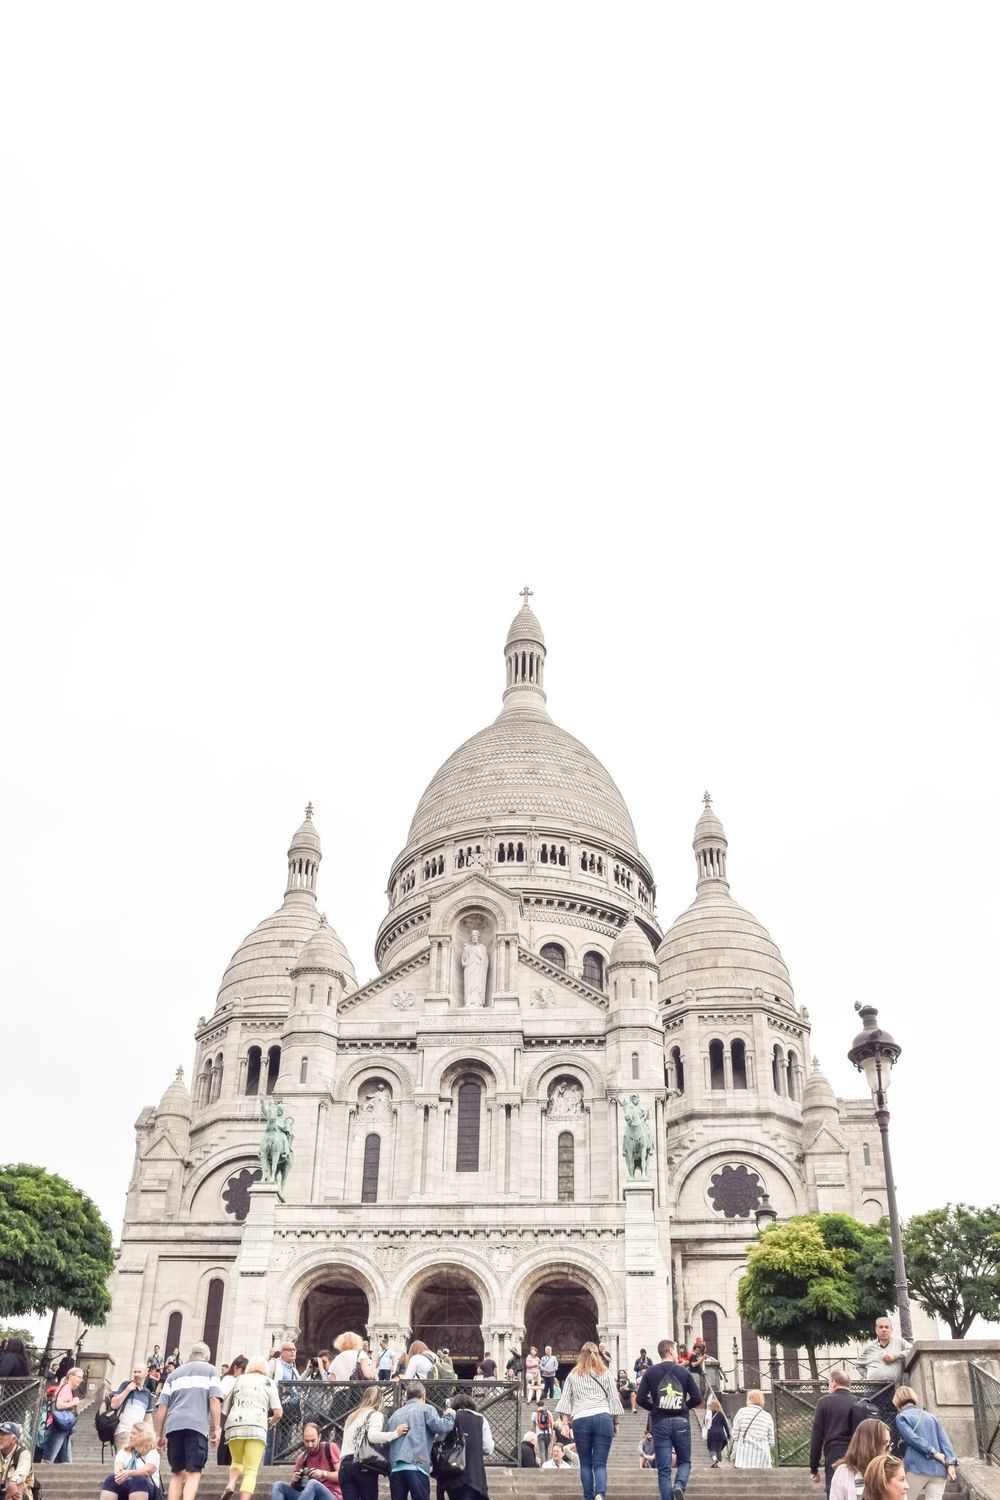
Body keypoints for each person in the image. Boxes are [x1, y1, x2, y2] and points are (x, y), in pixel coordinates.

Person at [153, 1340, 223, 1500]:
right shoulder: (211, 1370)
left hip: (174, 1426)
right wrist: (217, 1427)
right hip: (196, 1426)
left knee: (177, 1472)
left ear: (191, 1355)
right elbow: (214, 1399)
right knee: (193, 1471)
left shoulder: (173, 1374)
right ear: (207, 1356)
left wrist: (159, 1434)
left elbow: (162, 1406)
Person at [636, 1338, 703, 1500]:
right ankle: (679, 1485)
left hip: (660, 1423)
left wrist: (655, 1409)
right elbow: (697, 1398)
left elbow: (640, 1399)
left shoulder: (650, 1372)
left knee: (664, 1469)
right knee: (685, 1461)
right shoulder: (684, 1372)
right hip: (681, 1422)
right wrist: (683, 1407)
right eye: (676, 1350)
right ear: (671, 1351)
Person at [555, 1341, 621, 1500]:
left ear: (581, 1355)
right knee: (600, 1463)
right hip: (603, 1417)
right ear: (597, 1355)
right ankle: (600, 1493)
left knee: (585, 1463)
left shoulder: (572, 1374)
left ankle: (589, 1497)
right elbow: (614, 1399)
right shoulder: (605, 1373)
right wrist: (616, 1422)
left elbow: (565, 1401)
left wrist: (564, 1423)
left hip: (581, 1418)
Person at [221, 1355, 283, 1500]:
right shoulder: (269, 1382)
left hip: (235, 1424)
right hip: (257, 1426)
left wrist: (220, 1427)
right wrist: (270, 1422)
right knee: (250, 1470)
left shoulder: (239, 1379)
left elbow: (225, 1407)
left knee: (236, 1460)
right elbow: (278, 1413)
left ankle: (231, 1483)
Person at [385, 1381, 455, 1500]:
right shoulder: (426, 1409)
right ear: (423, 1396)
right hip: (416, 1464)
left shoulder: (394, 1415)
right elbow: (442, 1427)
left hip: (396, 1467)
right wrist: (450, 1415)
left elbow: (386, 1440)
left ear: (406, 1397)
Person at [338, 1386, 406, 1500]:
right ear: (380, 1400)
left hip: (345, 1465)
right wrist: (395, 1433)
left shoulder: (352, 1416)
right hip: (363, 1465)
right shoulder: (375, 1414)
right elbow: (373, 1436)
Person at [892, 1387, 957, 1499]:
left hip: (917, 1467)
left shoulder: (901, 1417)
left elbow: (912, 1439)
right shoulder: (931, 1416)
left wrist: (933, 1452)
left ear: (897, 1401)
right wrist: (951, 1464)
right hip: (939, 1470)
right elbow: (945, 1441)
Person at [810, 1369, 865, 1495]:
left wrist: (814, 1467)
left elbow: (817, 1436)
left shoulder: (824, 1402)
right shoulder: (859, 1401)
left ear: (833, 1382)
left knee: (835, 1492)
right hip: (858, 1455)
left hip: (834, 1455)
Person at [437, 1393, 493, 1500]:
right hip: (476, 1477)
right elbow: (488, 1447)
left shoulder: (451, 1417)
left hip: (453, 1475)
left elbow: (439, 1438)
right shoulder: (481, 1419)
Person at [269, 1420, 342, 1500]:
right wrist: (294, 1481)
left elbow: (342, 1476)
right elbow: (297, 1487)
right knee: (278, 1485)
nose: (310, 1445)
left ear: (319, 1437)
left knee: (313, 1483)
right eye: (307, 1441)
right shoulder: (302, 1457)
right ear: (303, 1439)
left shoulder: (330, 1448)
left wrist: (323, 1473)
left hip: (331, 1495)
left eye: (313, 1441)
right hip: (308, 1495)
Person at [830, 1418, 892, 1500]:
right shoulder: (844, 1472)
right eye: (884, 1443)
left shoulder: (889, 1469)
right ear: (870, 1445)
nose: (889, 1449)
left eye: (889, 1443)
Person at [99, 1421, 161, 1500]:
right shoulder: (124, 1451)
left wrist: (129, 1473)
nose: (130, 1436)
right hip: (126, 1485)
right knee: (111, 1479)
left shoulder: (152, 1452)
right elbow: (118, 1468)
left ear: (144, 1436)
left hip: (147, 1489)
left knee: (139, 1479)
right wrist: (119, 1472)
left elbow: (147, 1472)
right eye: (130, 1433)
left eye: (134, 1434)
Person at [265, 1342, 301, 1466]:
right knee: (273, 1441)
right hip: (276, 1407)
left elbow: (299, 1384)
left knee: (286, 1440)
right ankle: (268, 1467)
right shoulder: (274, 1364)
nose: (293, 1352)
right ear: (282, 1352)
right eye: (289, 1349)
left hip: (291, 1409)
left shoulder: (294, 1370)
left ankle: (276, 1464)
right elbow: (266, 1380)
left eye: (294, 1350)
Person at [41, 1365, 83, 1464]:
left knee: (65, 1460)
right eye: (79, 1377)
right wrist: (74, 1402)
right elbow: (59, 1405)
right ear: (71, 1376)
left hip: (62, 1427)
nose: (81, 1380)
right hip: (57, 1425)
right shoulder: (66, 1388)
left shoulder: (67, 1388)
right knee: (49, 1458)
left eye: (81, 1377)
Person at [110, 1367, 158, 1451]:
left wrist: (152, 1437)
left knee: (134, 1463)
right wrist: (127, 1390)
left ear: (146, 1374)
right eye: (135, 1372)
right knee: (125, 1461)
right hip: (123, 1431)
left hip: (139, 1435)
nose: (136, 1374)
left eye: (139, 1372)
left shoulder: (147, 1393)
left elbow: (148, 1418)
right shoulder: (126, 1385)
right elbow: (114, 1404)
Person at [856, 1320, 911, 1387]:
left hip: (894, 1387)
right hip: (874, 1389)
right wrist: (867, 1375)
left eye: (886, 1327)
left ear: (891, 1330)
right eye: (881, 1327)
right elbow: (858, 1365)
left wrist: (895, 1356)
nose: (884, 1330)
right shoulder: (870, 1348)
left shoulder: (900, 1342)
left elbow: (911, 1350)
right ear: (876, 1330)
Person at [728, 1389, 774, 1470]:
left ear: (749, 1399)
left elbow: (734, 1434)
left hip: (744, 1456)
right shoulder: (767, 1416)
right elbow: (771, 1441)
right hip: (763, 1458)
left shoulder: (742, 1412)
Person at [0, 1420, 33, 1500]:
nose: (0, 1437)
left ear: (14, 1439)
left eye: (3, 1434)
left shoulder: (23, 1453)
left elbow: (23, 1470)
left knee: (18, 1486)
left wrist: (13, 1482)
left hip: (18, 1494)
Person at [703, 1395, 729, 1469]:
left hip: (711, 1434)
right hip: (720, 1434)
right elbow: (726, 1425)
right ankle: (719, 1464)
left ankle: (715, 1459)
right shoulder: (721, 1414)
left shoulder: (708, 1413)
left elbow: (705, 1423)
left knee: (711, 1449)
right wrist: (728, 1435)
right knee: (718, 1450)